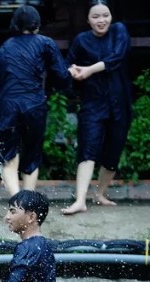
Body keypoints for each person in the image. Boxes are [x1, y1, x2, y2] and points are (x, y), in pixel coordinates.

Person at [0, 5, 73, 197]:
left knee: (9, 156)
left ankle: (15, 203)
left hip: (8, 106)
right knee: (32, 156)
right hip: (34, 106)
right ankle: (27, 206)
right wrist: (68, 76)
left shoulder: (5, 47)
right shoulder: (45, 42)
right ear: (37, 23)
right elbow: (62, 76)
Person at [61, 0, 132, 215]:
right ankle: (80, 200)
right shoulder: (81, 40)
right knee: (88, 149)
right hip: (93, 102)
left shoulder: (119, 31)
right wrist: (72, 71)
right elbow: (68, 65)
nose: (101, 20)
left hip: (119, 102)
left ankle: (100, 193)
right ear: (88, 20)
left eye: (105, 15)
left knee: (113, 151)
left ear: (111, 16)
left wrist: (90, 69)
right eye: (95, 16)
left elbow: (117, 57)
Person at [1, 190, 58, 282]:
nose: (7, 217)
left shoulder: (26, 247)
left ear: (31, 217)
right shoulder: (45, 246)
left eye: (13, 211)